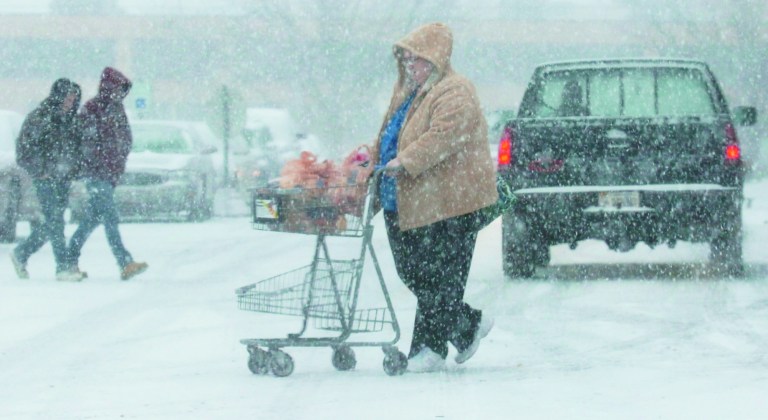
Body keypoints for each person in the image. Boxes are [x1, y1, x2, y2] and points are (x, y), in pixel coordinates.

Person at [371, 23, 497, 372]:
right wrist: (372, 156)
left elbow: (443, 136)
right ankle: (467, 324)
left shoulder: (454, 90)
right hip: (407, 200)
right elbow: (390, 136)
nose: (410, 66)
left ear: (435, 58)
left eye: (417, 60)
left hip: (448, 202)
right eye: (407, 60)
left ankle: (429, 349)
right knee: (416, 274)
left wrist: (406, 161)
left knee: (438, 277)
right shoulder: (409, 93)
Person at [67, 67, 147, 281]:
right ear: (109, 87)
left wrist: (118, 161)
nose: (120, 93)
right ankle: (124, 262)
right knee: (110, 218)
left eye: (123, 90)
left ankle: (69, 257)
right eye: (118, 89)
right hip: (96, 175)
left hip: (110, 175)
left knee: (91, 220)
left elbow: (125, 138)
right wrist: (99, 163)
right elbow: (86, 142)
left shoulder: (117, 109)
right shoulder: (92, 109)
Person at [10, 78, 87, 282]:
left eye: (74, 98)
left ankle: (21, 253)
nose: (70, 101)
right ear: (58, 96)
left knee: (53, 224)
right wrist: (41, 170)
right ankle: (62, 268)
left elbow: (77, 149)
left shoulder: (71, 121)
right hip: (45, 179)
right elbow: (24, 151)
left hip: (63, 179)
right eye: (67, 97)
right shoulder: (39, 118)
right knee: (55, 220)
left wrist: (76, 170)